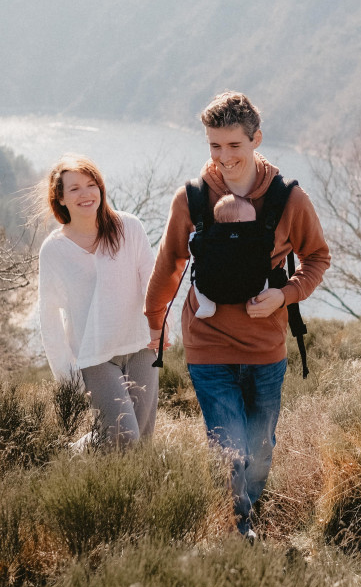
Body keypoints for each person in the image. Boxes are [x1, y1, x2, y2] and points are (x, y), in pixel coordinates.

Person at [145, 92, 330, 538]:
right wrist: (154, 324)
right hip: (207, 344)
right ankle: (237, 528)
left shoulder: (288, 199)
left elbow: (317, 258)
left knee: (261, 449)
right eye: (214, 146)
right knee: (228, 446)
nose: (224, 158)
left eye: (234, 146)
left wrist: (284, 295)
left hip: (266, 348)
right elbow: (169, 263)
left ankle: (252, 511)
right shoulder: (191, 198)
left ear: (256, 139)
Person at [38, 154, 158, 448]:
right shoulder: (54, 250)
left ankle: (127, 492)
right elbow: (49, 318)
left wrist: (159, 327)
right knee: (122, 435)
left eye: (91, 184)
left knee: (141, 440)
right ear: (61, 198)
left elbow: (153, 283)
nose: (86, 193)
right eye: (75, 188)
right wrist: (66, 376)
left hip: (142, 346)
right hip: (94, 357)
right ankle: (73, 455)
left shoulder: (129, 227)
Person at [192, 193, 264, 319]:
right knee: (264, 274)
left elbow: (195, 247)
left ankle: (207, 305)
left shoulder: (210, 236)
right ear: (238, 223)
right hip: (248, 283)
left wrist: (193, 238)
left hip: (212, 285)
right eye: (252, 219)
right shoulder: (251, 237)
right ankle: (255, 300)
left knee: (196, 277)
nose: (254, 223)